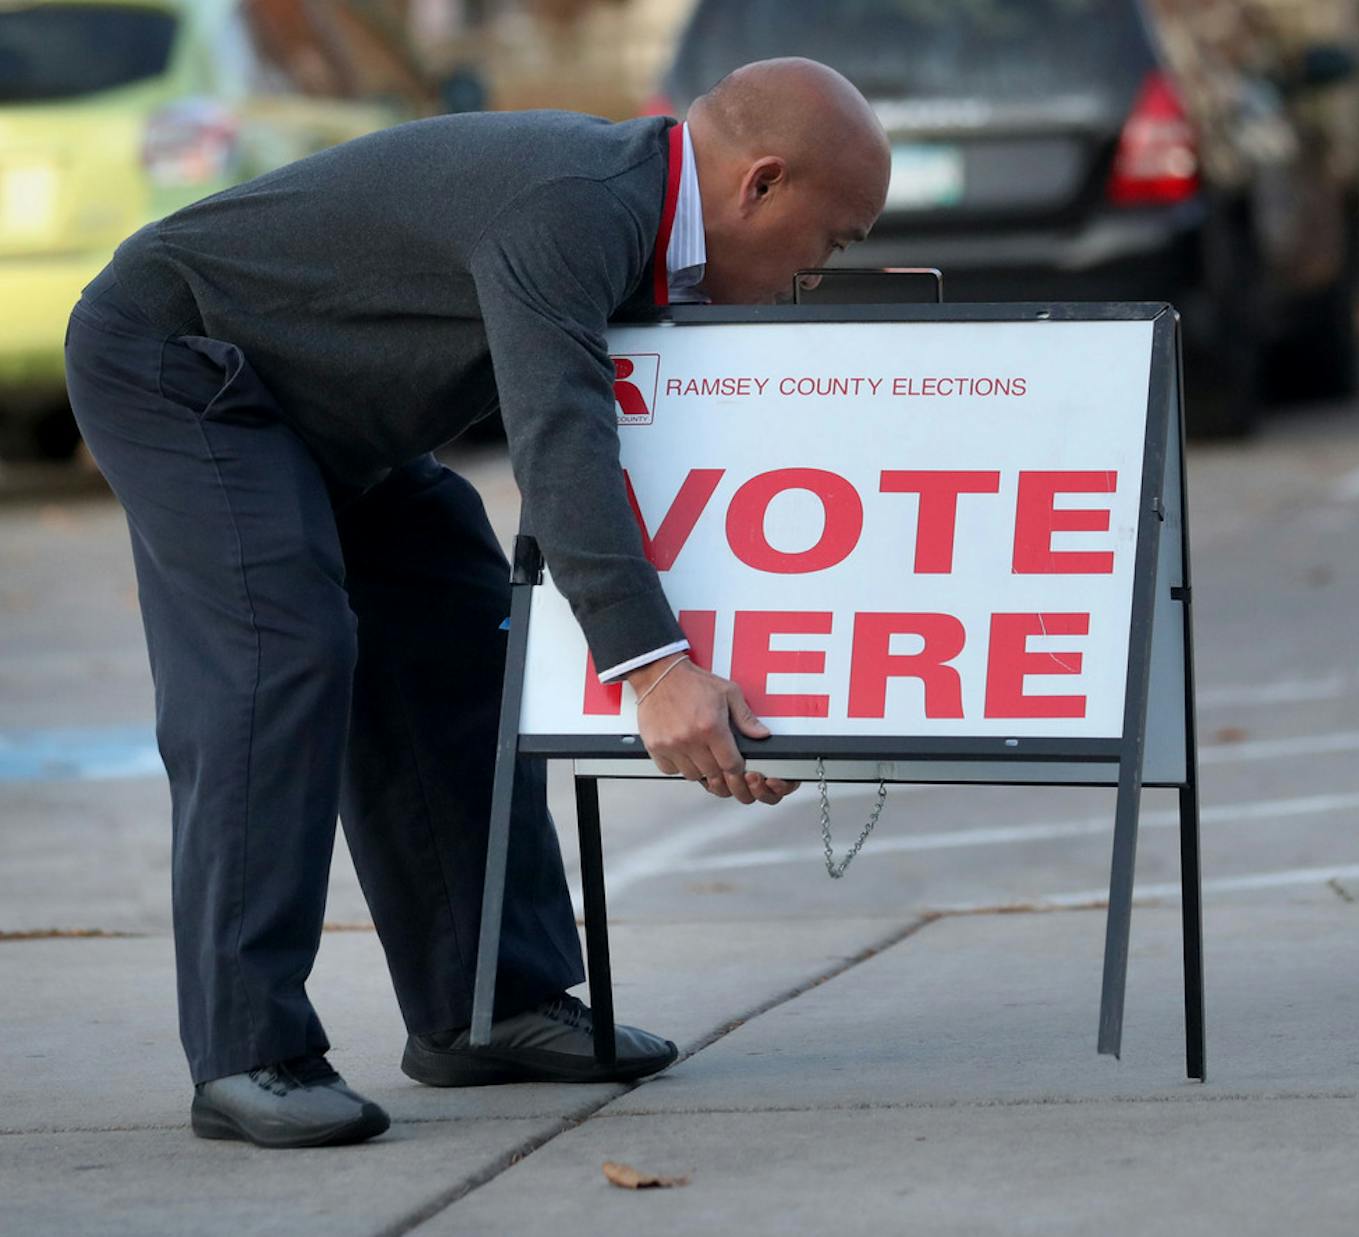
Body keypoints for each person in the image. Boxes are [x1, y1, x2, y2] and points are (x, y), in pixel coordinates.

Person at [62, 57, 890, 1149]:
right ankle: (245, 1046)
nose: (816, 271)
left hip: (332, 417)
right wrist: (653, 667)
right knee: (282, 652)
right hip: (185, 365)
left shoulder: (651, 229)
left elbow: (645, 466)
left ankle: (491, 1005)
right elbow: (560, 439)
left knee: (458, 618)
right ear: (760, 185)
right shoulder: (579, 208)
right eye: (829, 242)